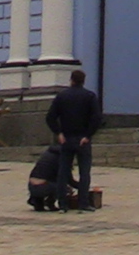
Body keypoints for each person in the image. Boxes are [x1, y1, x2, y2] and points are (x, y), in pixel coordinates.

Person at [45, 69, 103, 211]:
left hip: (67, 138)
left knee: (63, 172)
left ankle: (63, 203)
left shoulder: (62, 96)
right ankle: (83, 203)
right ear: (83, 81)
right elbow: (96, 118)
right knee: (84, 173)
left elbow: (50, 117)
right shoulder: (89, 96)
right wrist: (88, 135)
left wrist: (58, 133)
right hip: (82, 139)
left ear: (71, 80)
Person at [26, 143, 78, 211]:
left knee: (46, 180)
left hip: (31, 186)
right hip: (43, 187)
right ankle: (50, 202)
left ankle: (37, 202)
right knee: (64, 187)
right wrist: (82, 187)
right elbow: (68, 179)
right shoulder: (62, 158)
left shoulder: (48, 154)